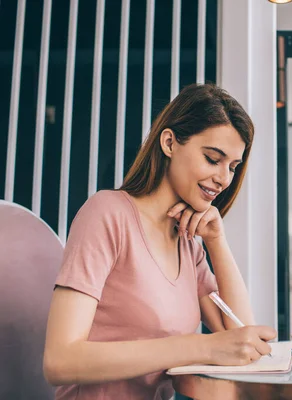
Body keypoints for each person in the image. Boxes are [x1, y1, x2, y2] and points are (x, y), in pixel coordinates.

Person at [43, 83, 277, 400]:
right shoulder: (107, 214)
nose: (223, 178)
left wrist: (216, 241)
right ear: (169, 142)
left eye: (232, 167)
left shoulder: (188, 241)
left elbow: (241, 338)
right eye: (212, 159)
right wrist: (199, 346)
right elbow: (60, 361)